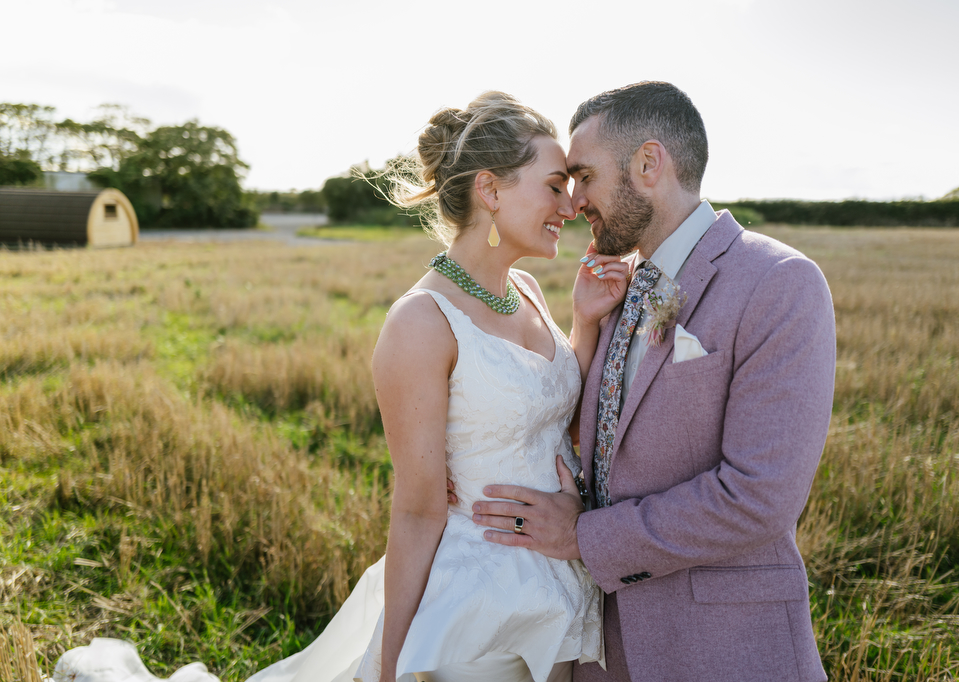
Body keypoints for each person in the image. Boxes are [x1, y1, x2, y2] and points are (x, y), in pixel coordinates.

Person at [51, 92, 629, 682]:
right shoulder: (421, 323)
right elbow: (416, 510)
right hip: (475, 608)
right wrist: (395, 664)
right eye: (555, 185)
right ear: (492, 190)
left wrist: (585, 323)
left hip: (558, 589)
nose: (573, 203)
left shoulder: (527, 290)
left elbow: (559, 415)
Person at [471, 82, 837, 682]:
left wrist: (586, 536)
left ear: (648, 163)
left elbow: (759, 498)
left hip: (722, 649)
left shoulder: (780, 283)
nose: (574, 201)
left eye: (585, 176)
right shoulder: (616, 289)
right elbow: (587, 439)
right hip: (603, 649)